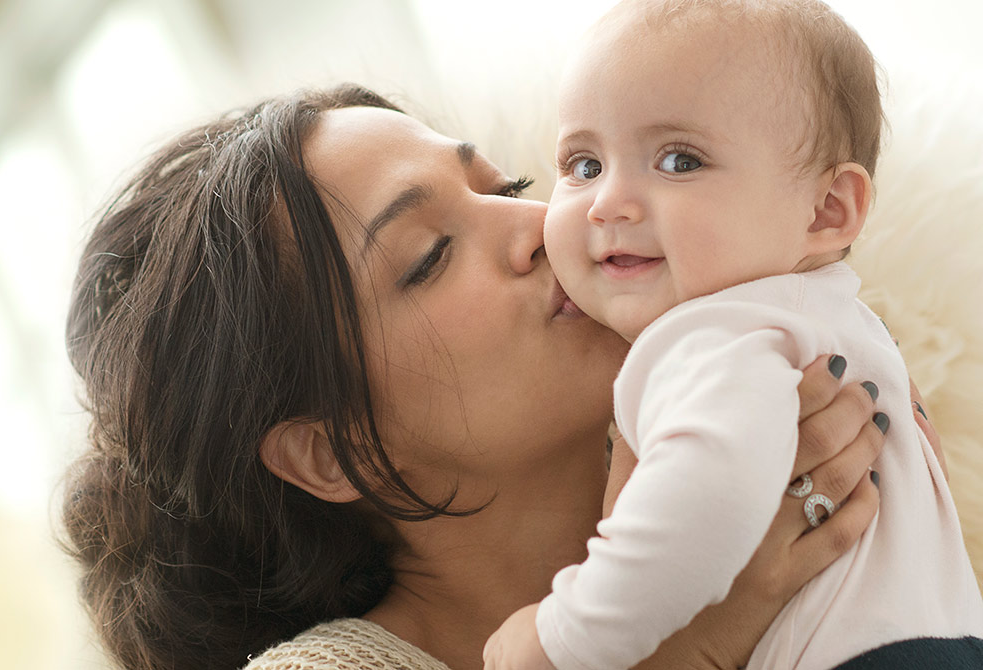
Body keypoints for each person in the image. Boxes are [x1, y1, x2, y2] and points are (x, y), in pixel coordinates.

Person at [62, 83, 928, 670]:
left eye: (506, 184)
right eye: (431, 254)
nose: (542, 226)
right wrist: (692, 646)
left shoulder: (783, 434)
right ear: (331, 451)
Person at [482, 1, 983, 669]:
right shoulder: (830, 323)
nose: (607, 202)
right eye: (583, 165)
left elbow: (706, 498)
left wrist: (562, 638)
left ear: (825, 211)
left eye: (680, 161)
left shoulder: (714, 329)